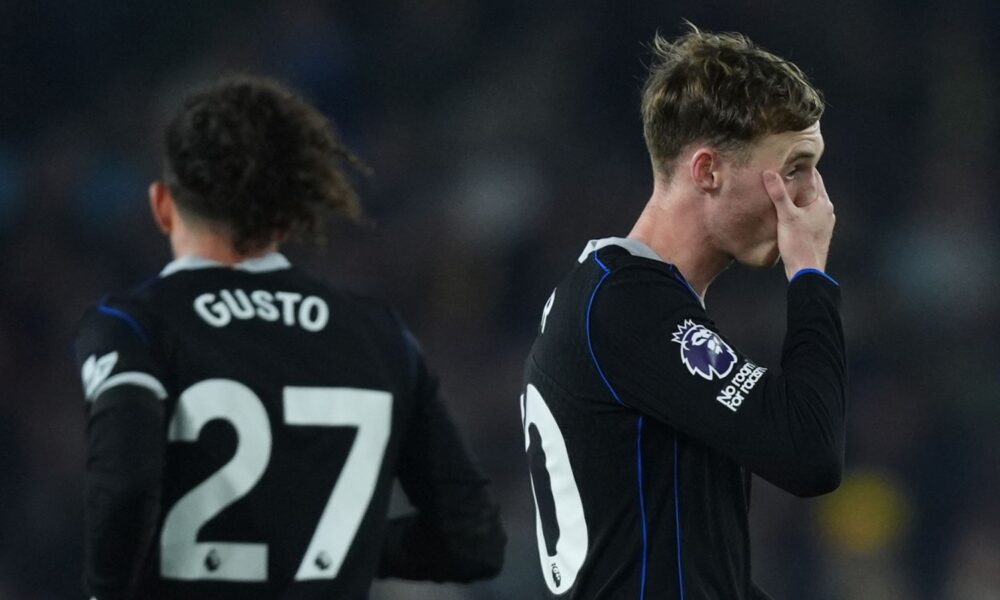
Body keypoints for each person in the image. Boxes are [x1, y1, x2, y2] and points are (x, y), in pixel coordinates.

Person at [73, 75, 505, 600]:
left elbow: (126, 486)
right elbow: (473, 540)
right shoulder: (382, 337)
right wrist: (331, 542)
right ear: (285, 218)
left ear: (162, 205)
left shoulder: (132, 326)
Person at [520, 25, 845, 599]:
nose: (813, 197)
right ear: (707, 171)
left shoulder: (618, 298)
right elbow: (809, 452)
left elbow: (696, 561)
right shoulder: (626, 304)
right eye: (795, 167)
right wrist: (810, 276)